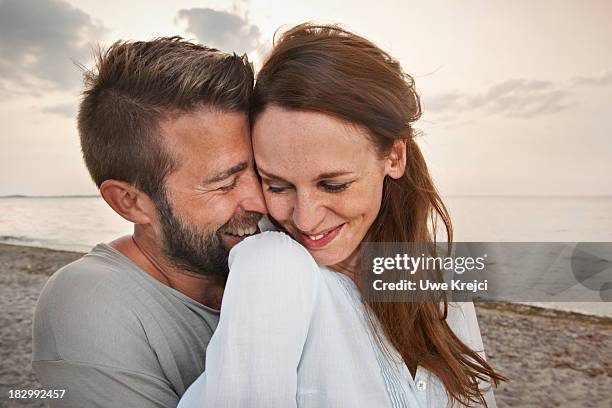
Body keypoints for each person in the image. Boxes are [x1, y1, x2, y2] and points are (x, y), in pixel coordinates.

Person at [179, 24, 506, 407]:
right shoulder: (271, 268)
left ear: (394, 157)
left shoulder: (438, 273)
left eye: (333, 185)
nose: (305, 219)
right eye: (278, 186)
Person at [32, 37, 266, 407]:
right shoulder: (90, 302)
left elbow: (389, 280)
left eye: (264, 169)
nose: (262, 200)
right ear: (130, 202)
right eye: (224, 183)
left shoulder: (277, 237)